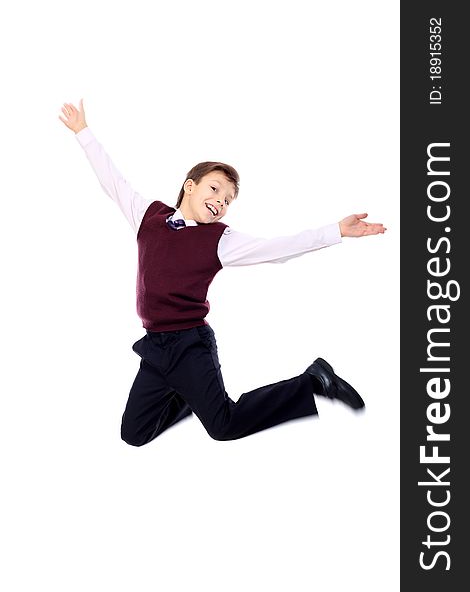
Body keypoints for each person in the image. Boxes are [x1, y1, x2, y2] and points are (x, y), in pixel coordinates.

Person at [59, 98, 387, 445]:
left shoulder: (219, 239)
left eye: (228, 199)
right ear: (190, 185)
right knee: (134, 434)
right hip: (156, 346)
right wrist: (83, 132)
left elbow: (278, 248)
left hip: (190, 345)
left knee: (224, 426)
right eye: (214, 189)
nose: (220, 201)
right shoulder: (148, 217)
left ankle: (314, 381)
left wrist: (335, 230)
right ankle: (189, 396)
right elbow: (114, 182)